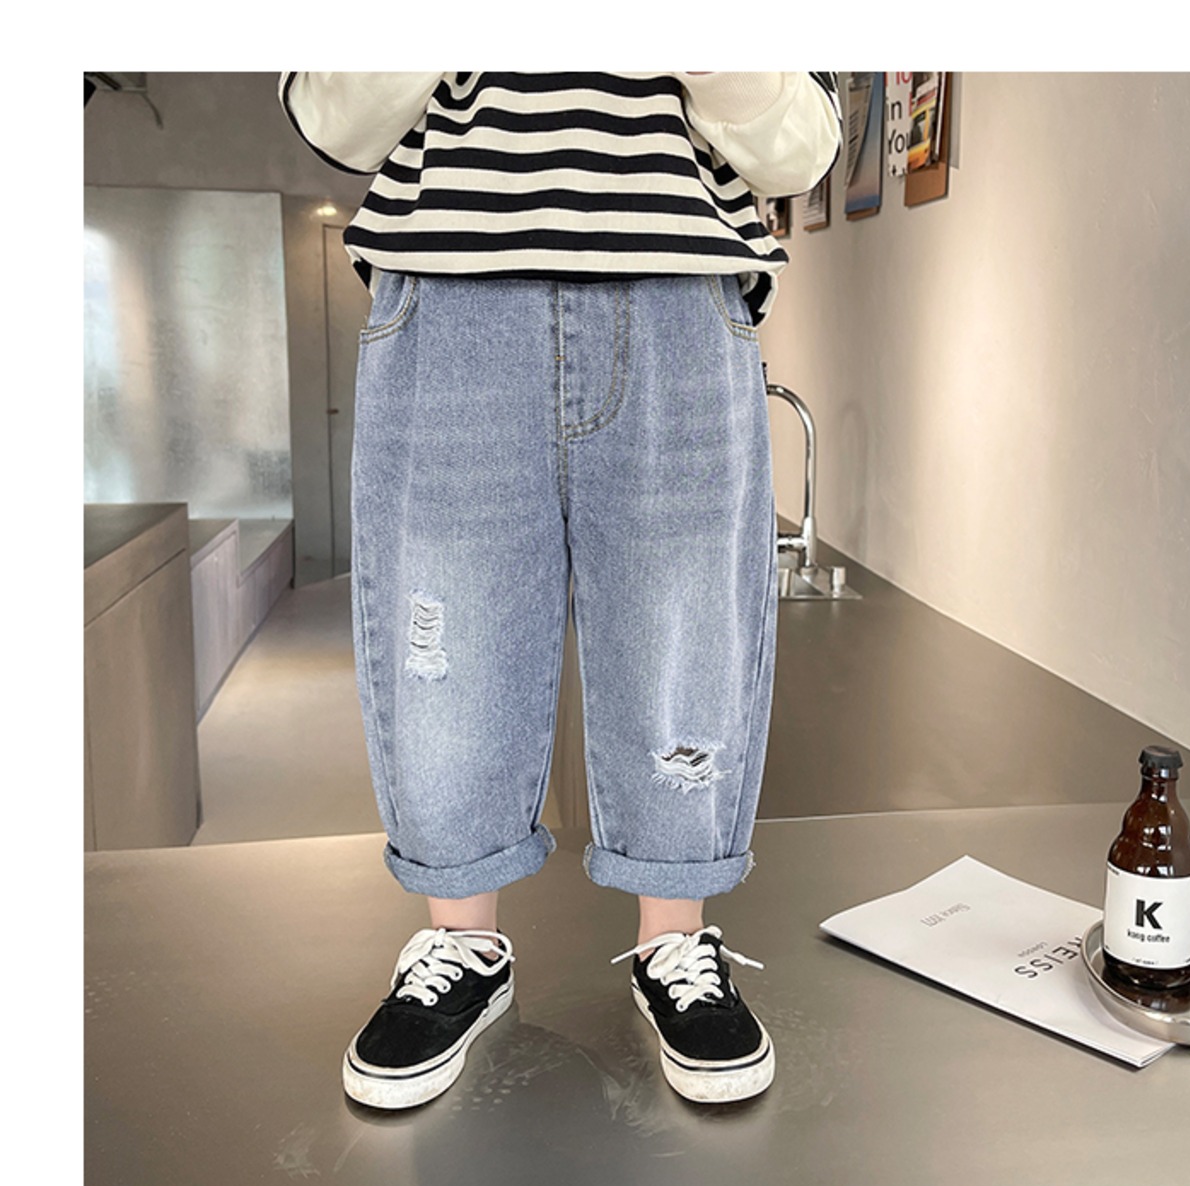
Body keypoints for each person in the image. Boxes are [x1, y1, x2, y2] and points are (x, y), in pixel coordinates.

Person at [279, 71, 841, 1108]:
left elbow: (802, 149)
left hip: (676, 289)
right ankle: (461, 943)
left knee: (683, 631)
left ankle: (676, 939)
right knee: (445, 635)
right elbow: (331, 116)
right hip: (453, 289)